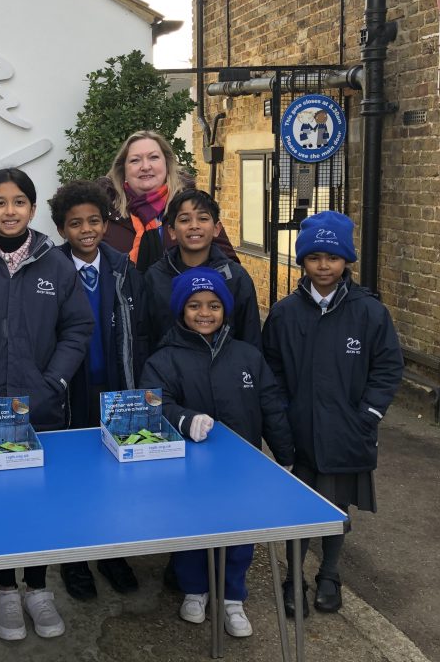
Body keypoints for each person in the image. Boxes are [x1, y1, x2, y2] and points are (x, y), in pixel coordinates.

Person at [0, 168, 94, 642]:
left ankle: (37, 587)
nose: (9, 210)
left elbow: (78, 328)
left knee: (39, 503)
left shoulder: (56, 265)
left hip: (44, 410)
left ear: (33, 210)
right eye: (0, 202)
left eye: (19, 201)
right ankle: (4, 590)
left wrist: (53, 379)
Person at [262, 211, 403, 617]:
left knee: (337, 509)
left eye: (333, 258)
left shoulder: (370, 312)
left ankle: (330, 574)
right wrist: (283, 416)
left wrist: (368, 415)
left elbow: (388, 367)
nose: (324, 266)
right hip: (300, 431)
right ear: (303, 261)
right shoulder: (285, 313)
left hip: (347, 430)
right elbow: (270, 368)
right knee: (299, 510)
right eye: (314, 257)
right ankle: (294, 578)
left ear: (346, 261)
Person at [140, 268, 294, 638]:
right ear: (181, 311)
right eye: (194, 306)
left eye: (213, 305)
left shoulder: (247, 356)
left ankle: (232, 598)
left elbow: (271, 404)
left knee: (239, 532)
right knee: (191, 531)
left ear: (226, 310)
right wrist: (184, 418)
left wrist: (285, 451)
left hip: (240, 471)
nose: (204, 313)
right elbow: (153, 402)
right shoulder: (163, 359)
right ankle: (195, 591)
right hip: (186, 472)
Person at [48, 179, 148, 600]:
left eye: (94, 220)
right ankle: (75, 560)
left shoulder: (123, 268)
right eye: (75, 223)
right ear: (62, 229)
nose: (86, 229)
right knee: (73, 476)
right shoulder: (49, 269)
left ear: (106, 224)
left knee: (114, 475)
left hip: (116, 387)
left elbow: (139, 331)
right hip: (72, 391)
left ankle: (112, 552)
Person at [99, 130, 238, 272]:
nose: (146, 166)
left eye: (153, 157)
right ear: (123, 168)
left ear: (167, 163)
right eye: (135, 160)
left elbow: (229, 267)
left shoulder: (194, 207)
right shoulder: (104, 212)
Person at [145, 189, 262, 350]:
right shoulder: (155, 277)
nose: (194, 226)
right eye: (185, 220)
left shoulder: (236, 277)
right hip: (168, 372)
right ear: (171, 231)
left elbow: (251, 338)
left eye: (203, 218)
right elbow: (146, 337)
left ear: (216, 228)